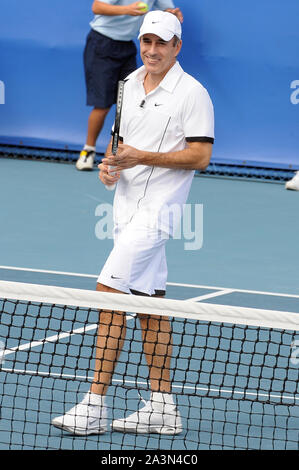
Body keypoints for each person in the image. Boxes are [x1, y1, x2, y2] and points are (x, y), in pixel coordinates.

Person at [52, 10, 214, 436]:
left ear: (177, 46)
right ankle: (163, 406)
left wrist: (141, 157)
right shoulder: (127, 83)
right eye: (147, 41)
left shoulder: (193, 94)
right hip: (124, 211)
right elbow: (118, 141)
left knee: (110, 291)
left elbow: (199, 156)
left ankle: (95, 403)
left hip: (158, 214)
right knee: (149, 306)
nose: (152, 50)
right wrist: (110, 165)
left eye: (162, 43)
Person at [76, 0, 183, 171]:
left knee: (130, 101)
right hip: (102, 42)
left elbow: (167, 10)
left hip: (127, 46)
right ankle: (88, 151)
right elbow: (97, 7)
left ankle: (120, 154)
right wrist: (127, 9)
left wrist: (173, 15)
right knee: (102, 104)